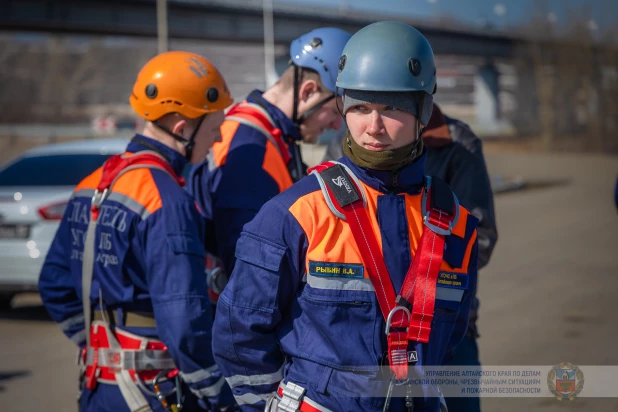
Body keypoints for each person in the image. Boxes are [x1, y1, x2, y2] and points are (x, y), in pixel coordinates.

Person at [212, 21, 479, 411]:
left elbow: (448, 337)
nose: (373, 127)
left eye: (391, 109)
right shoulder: (297, 213)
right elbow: (239, 333)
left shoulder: (454, 224)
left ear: (424, 109)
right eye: (359, 108)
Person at [38, 51, 236, 412]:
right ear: (182, 128)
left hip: (100, 386)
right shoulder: (167, 200)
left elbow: (54, 284)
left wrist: (102, 348)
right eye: (214, 125)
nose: (220, 135)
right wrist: (219, 398)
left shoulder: (91, 185)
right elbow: (185, 325)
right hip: (155, 392)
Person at [324, 103, 498, 412]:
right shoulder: (349, 139)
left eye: (393, 103)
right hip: (362, 330)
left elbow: (479, 238)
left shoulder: (457, 143)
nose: (376, 126)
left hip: (446, 329)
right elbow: (329, 228)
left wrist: (410, 280)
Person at [189, 28, 351, 279]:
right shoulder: (250, 151)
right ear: (307, 92)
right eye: (333, 112)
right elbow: (247, 270)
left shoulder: (270, 135)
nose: (336, 125)